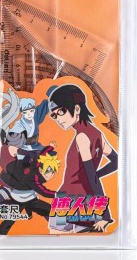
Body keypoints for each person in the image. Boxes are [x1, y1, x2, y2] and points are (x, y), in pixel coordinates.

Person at [48, 84, 118, 233]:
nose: (58, 119)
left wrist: (105, 215)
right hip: (85, 199)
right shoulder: (98, 135)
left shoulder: (82, 137)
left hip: (68, 198)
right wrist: (97, 175)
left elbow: (91, 177)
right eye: (54, 115)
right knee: (85, 242)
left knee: (54, 242)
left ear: (77, 109)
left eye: (61, 111)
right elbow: (115, 162)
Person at [0, 151, 60, 235]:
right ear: (40, 170)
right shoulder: (32, 178)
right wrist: (56, 194)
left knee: (51, 212)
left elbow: (40, 154)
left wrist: (50, 148)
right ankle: (0, 236)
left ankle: (59, 228)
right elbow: (43, 192)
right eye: (48, 172)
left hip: (31, 199)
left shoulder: (35, 168)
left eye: (53, 173)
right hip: (17, 201)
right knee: (8, 222)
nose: (50, 176)